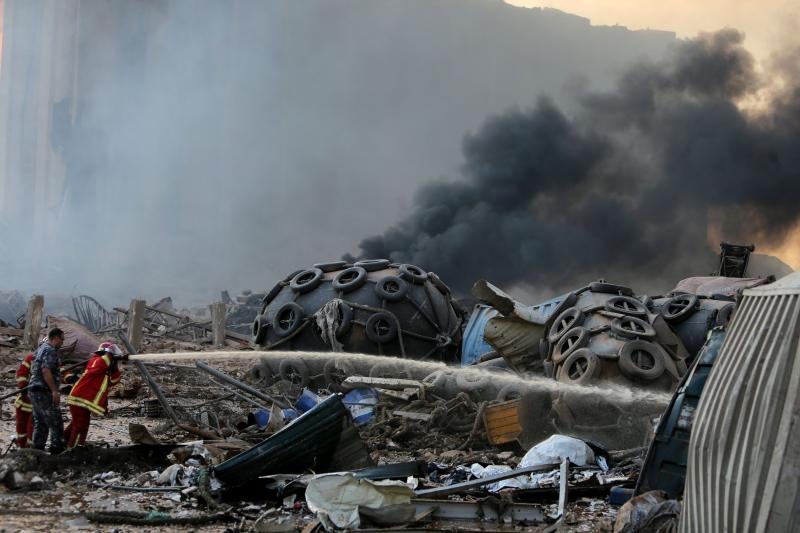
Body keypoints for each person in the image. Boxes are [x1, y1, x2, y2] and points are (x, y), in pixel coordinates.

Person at [64, 342, 125, 449]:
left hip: (85, 401)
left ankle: (63, 443)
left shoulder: (105, 369)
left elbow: (114, 380)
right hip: (79, 399)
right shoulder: (96, 360)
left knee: (78, 424)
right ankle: (74, 450)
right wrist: (110, 357)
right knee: (80, 426)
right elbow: (100, 364)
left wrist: (114, 367)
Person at [28, 328, 66, 454]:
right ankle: (57, 453)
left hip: (34, 389)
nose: (63, 342)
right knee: (56, 422)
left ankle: (37, 453)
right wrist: (54, 391)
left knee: (40, 423)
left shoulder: (40, 348)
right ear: (55, 338)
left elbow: (36, 368)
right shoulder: (50, 350)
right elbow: (45, 370)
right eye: (62, 339)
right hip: (44, 391)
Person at [13, 352, 35, 447]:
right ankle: (22, 446)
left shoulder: (53, 358)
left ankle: (28, 449)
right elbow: (21, 374)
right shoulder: (30, 358)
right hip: (25, 399)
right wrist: (23, 386)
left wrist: (68, 378)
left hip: (35, 402)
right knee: (22, 427)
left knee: (31, 428)